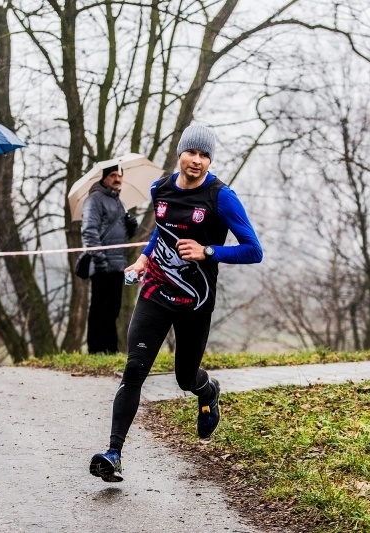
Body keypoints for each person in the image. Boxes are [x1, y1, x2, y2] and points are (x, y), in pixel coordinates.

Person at [89, 124, 263, 482]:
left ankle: (208, 390)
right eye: (191, 153)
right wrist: (143, 259)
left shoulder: (221, 197)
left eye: (204, 155)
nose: (196, 161)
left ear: (209, 160)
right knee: (135, 369)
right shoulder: (161, 189)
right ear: (180, 153)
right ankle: (113, 453)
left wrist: (208, 251)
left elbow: (253, 250)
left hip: (194, 300)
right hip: (155, 292)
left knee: (185, 376)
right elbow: (161, 232)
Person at [81, 163, 138, 354]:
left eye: (120, 175)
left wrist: (131, 226)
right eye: (113, 175)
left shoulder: (117, 202)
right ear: (104, 178)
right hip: (102, 265)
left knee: (113, 310)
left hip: (118, 265)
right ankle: (96, 350)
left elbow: (122, 235)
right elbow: (89, 231)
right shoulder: (95, 199)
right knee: (99, 309)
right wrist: (100, 261)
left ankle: (110, 350)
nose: (118, 179)